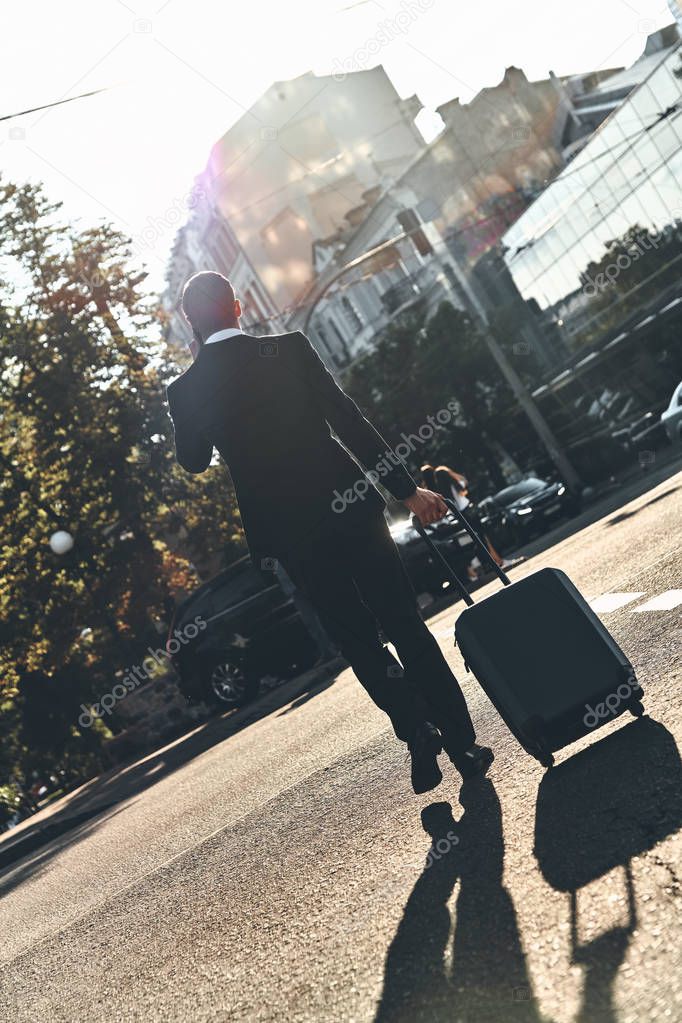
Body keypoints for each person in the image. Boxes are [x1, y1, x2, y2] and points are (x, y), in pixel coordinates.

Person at [166, 272, 493, 793]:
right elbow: (348, 419)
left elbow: (193, 461)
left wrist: (195, 377)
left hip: (291, 532)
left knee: (356, 639)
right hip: (351, 506)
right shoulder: (289, 349)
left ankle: (414, 729)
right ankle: (464, 744)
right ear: (238, 307)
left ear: (191, 323)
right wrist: (407, 490)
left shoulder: (185, 389)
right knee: (403, 622)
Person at [421, 463, 522, 580]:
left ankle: (483, 567)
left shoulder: (433, 490)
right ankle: (498, 562)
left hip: (456, 516)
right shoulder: (444, 476)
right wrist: (449, 471)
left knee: (474, 540)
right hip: (467, 511)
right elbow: (463, 482)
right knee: (483, 537)